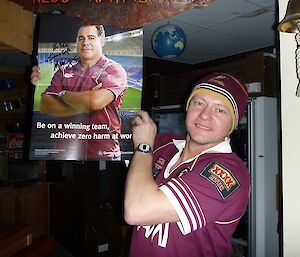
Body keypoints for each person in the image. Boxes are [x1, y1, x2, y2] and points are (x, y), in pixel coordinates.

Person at [124, 72, 250, 257]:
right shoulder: (165, 145)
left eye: (220, 110)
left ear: (233, 123)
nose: (204, 116)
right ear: (188, 106)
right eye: (199, 103)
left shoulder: (229, 173)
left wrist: (143, 146)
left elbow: (137, 211)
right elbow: (101, 137)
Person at [31, 23, 128, 160]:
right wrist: (85, 102)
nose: (85, 42)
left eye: (91, 37)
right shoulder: (63, 71)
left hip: (103, 154)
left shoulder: (113, 70)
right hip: (65, 152)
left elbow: (95, 102)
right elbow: (45, 105)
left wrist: (64, 95)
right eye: (81, 38)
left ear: (102, 40)